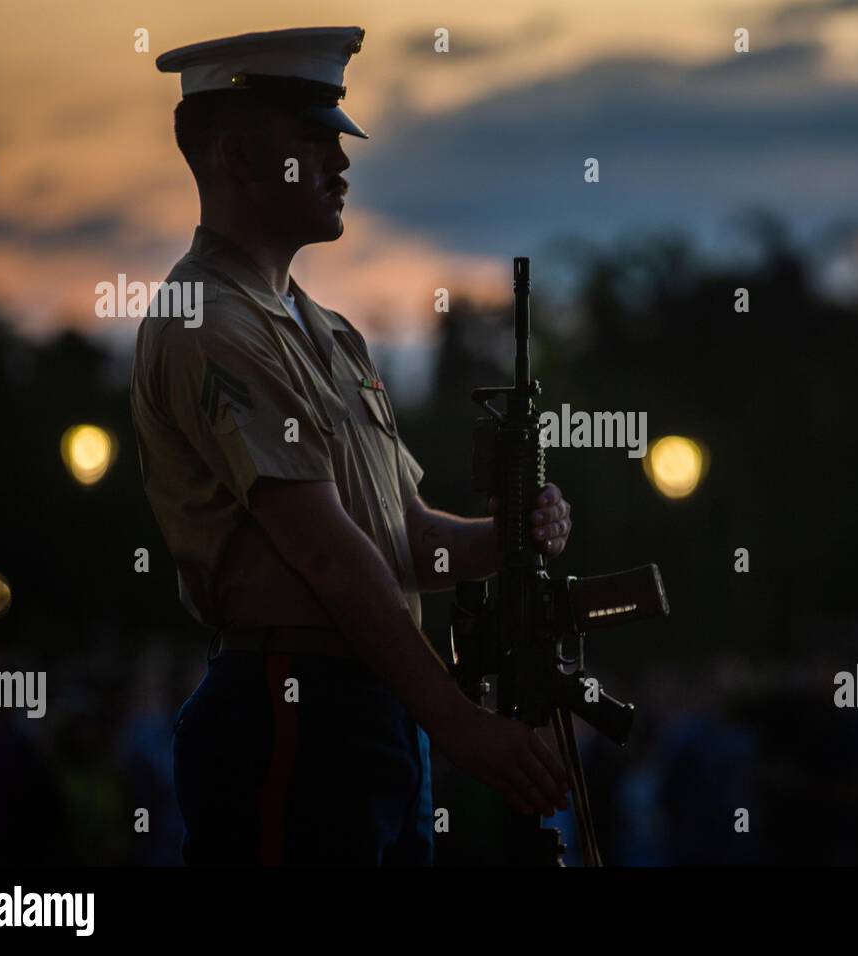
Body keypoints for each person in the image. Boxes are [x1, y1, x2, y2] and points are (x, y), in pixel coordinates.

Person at [130, 26, 572, 865]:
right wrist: (461, 725)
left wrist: (507, 537)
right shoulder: (213, 323)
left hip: (370, 704)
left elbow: (401, 541)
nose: (341, 162)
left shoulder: (328, 333)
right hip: (292, 706)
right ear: (237, 157)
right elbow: (329, 554)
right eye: (313, 138)